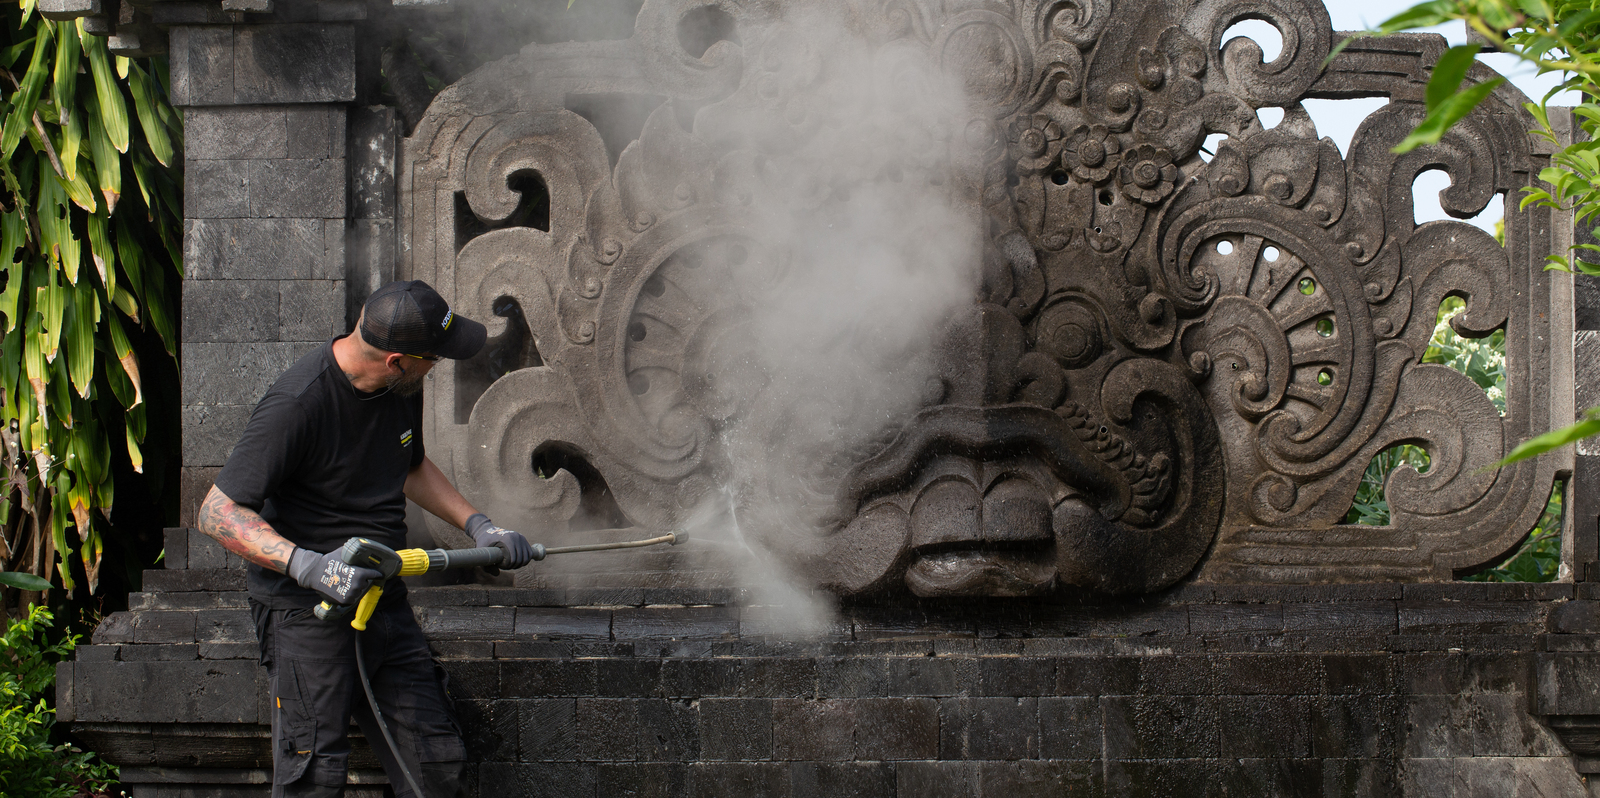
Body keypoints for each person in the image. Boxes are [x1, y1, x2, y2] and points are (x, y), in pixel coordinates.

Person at [196, 280, 537, 798]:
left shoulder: (400, 386)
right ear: (397, 359)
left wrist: (480, 525)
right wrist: (308, 566)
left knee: (436, 765)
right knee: (315, 778)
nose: (438, 366)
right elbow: (216, 512)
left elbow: (410, 465)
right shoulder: (298, 402)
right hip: (306, 613)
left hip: (384, 602)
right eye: (434, 358)